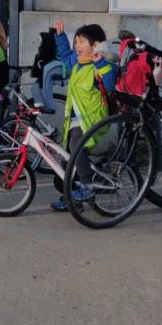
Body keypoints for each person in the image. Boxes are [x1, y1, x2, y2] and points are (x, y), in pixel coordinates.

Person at [47, 21, 117, 212]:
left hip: (91, 120)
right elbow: (65, 55)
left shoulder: (101, 65)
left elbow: (110, 84)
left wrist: (100, 62)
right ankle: (72, 199)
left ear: (95, 46)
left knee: (75, 147)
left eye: (81, 42)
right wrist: (60, 37)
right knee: (67, 158)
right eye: (76, 41)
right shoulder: (78, 64)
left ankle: (87, 186)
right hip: (75, 118)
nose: (77, 45)